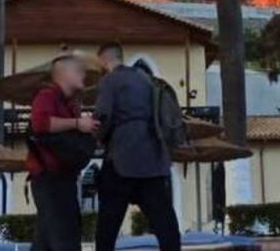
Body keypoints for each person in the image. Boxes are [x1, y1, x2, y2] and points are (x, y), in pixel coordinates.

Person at [94, 42, 181, 251]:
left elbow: (103, 117)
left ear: (104, 60)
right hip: (154, 158)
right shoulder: (147, 79)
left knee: (108, 224)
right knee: (164, 221)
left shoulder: (110, 81)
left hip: (123, 158)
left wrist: (95, 137)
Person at [27, 53, 99, 251]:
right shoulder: (47, 96)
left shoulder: (70, 104)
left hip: (62, 180)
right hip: (50, 179)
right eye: (78, 71)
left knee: (45, 242)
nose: (83, 74)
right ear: (64, 74)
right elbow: (40, 123)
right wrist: (77, 123)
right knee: (65, 238)